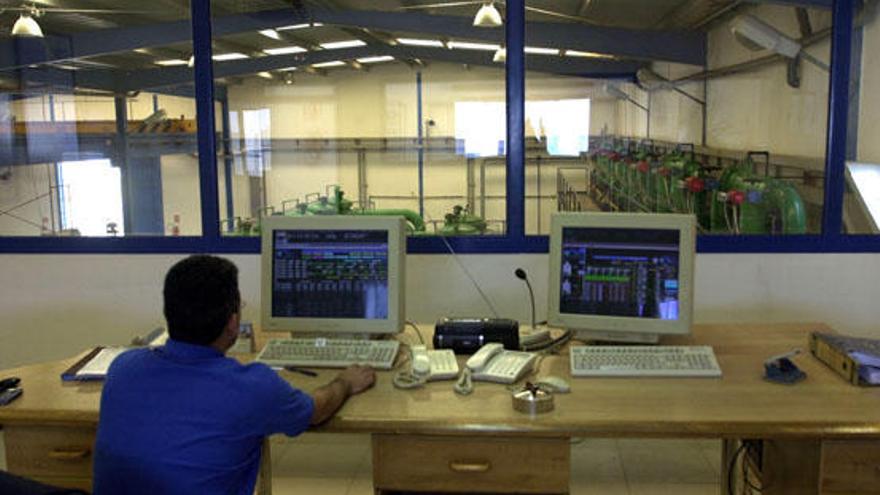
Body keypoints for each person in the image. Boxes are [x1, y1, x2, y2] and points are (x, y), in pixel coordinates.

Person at [93, 255, 375, 495]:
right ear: (232, 322)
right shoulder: (252, 387)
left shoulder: (122, 368)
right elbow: (316, 410)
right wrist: (345, 382)